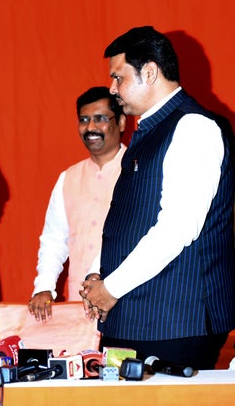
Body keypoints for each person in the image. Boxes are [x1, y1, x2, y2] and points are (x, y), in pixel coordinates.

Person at [81, 26, 235, 369]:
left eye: (118, 78)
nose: (112, 88)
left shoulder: (193, 127)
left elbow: (177, 228)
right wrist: (98, 275)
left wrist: (112, 288)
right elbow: (132, 220)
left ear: (149, 72)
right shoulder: (151, 129)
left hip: (174, 322)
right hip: (138, 317)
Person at [28, 87, 125, 322]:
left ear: (121, 122)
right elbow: (54, 240)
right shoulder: (68, 178)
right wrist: (44, 287)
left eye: (101, 119)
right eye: (84, 120)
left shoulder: (137, 172)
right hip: (79, 310)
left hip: (125, 304)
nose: (91, 127)